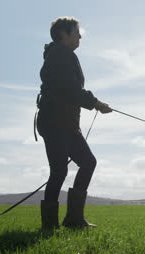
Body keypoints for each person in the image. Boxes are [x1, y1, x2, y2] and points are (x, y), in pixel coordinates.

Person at [37, 17, 112, 229]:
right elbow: (71, 89)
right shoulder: (60, 55)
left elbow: (70, 91)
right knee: (60, 171)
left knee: (87, 162)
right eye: (76, 32)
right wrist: (96, 103)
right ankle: (51, 226)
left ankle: (73, 219)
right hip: (55, 123)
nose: (80, 36)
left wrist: (94, 103)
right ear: (64, 34)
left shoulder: (61, 55)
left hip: (66, 124)